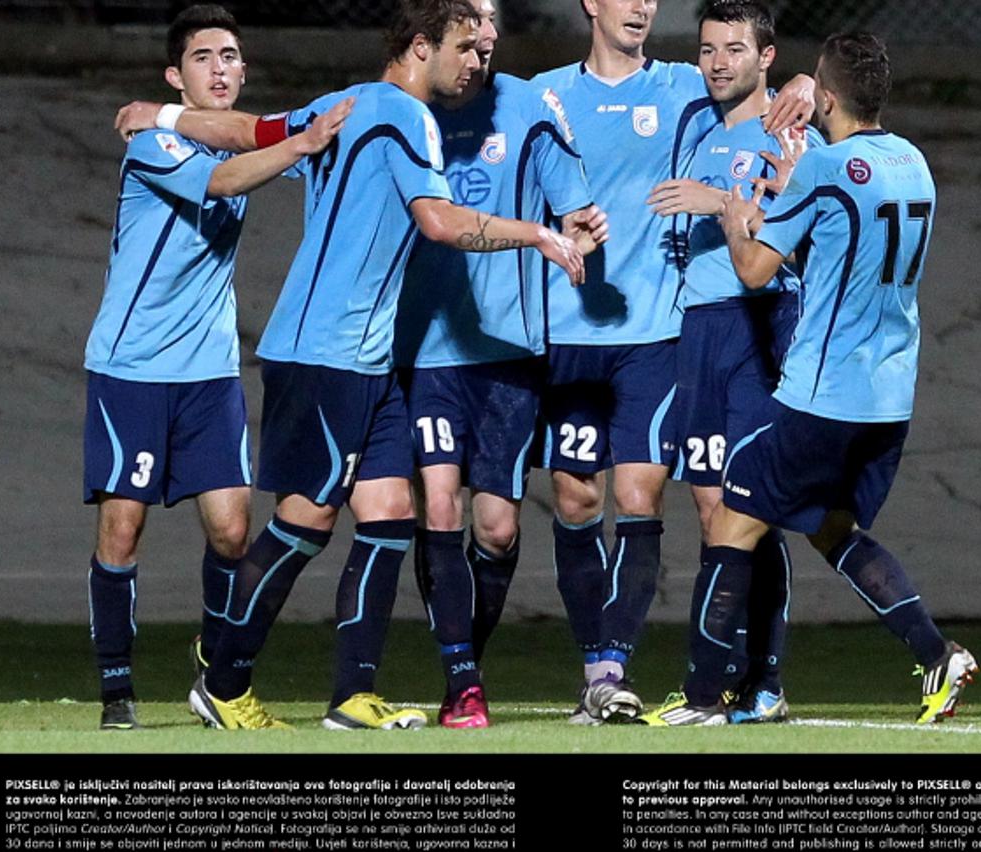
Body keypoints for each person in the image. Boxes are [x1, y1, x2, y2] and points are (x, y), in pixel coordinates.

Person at [118, 0, 590, 730]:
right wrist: (539, 235)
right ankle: (223, 678)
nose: (476, 63)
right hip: (324, 352)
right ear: (422, 45)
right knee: (304, 524)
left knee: (389, 514)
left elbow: (250, 129)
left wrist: (164, 115)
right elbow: (441, 222)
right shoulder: (406, 116)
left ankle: (351, 698)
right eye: (465, 48)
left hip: (369, 359)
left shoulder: (344, 102)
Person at [646, 31, 977, 726]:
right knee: (831, 528)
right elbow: (844, 240)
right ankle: (935, 653)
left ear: (824, 98)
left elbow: (753, 271)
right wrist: (783, 203)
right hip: (889, 399)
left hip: (824, 395)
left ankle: (705, 698)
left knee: (732, 527)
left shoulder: (824, 171)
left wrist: (738, 218)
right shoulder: (913, 164)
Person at [528, 0, 815, 725]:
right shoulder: (546, 94)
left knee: (672, 498)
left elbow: (775, 89)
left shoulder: (688, 85)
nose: (643, 5)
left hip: (661, 335)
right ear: (591, 2)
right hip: (568, 332)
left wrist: (811, 85)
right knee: (572, 498)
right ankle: (598, 667)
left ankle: (667, 671)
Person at [82, 4, 350, 730]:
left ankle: (212, 664)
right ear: (176, 77)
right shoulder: (150, 146)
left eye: (231, 56)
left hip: (208, 373)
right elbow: (229, 177)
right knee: (122, 529)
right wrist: (301, 144)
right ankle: (116, 692)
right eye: (205, 57)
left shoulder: (224, 134)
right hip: (132, 367)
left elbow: (264, 146)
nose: (222, 67)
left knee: (233, 532)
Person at [394, 0, 607, 729]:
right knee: (442, 507)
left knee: (497, 529)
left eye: (490, 18)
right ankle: (463, 681)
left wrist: (582, 224)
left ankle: (464, 665)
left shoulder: (527, 106)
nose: (483, 34)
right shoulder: (403, 110)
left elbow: (574, 204)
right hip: (428, 353)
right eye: (469, 19)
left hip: (511, 353)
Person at [642, 0, 822, 726]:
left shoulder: (788, 126)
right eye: (709, 48)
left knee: (749, 507)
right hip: (700, 330)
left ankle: (747, 683)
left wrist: (715, 199)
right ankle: (745, 685)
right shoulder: (693, 114)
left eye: (735, 49)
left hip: (760, 322)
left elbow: (800, 211)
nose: (719, 62)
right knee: (712, 506)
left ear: (765, 57)